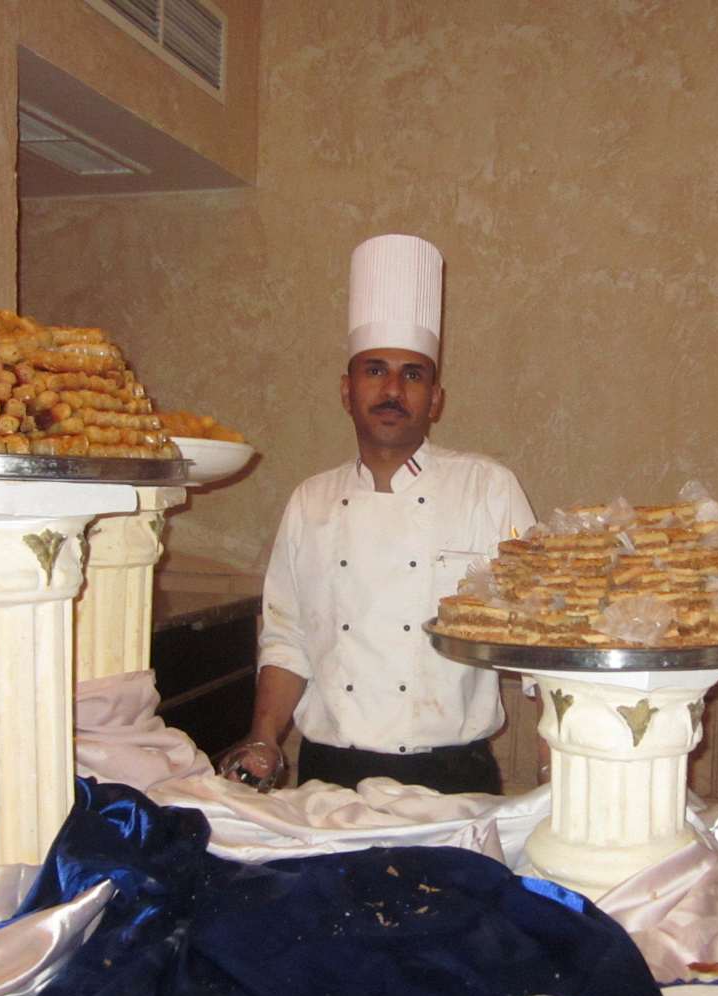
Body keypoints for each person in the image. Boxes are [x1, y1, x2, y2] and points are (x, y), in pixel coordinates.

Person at [217, 234, 534, 795]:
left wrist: (559, 764)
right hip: (330, 777)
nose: (392, 389)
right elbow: (287, 636)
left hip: (453, 779)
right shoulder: (310, 501)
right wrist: (263, 738)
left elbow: (537, 635)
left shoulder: (488, 488)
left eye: (413, 374)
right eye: (375, 370)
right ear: (347, 390)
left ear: (435, 398)